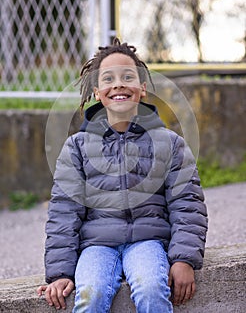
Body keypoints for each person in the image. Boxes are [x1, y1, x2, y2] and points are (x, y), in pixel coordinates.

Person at [37, 38, 208, 312]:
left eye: (128, 76)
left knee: (152, 288)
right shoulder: (77, 147)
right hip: (96, 246)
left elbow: (187, 204)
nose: (118, 84)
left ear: (141, 88)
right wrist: (60, 274)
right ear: (97, 91)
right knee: (90, 295)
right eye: (108, 78)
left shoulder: (169, 143)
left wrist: (183, 259)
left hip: (148, 242)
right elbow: (64, 213)